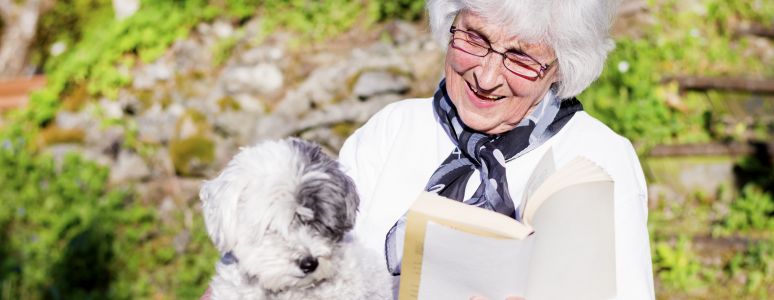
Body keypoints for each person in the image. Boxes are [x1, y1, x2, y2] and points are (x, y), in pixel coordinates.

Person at [338, 0, 655, 299]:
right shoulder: (392, 129)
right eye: (475, 39)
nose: (486, 78)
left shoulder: (599, 157)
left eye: (520, 58)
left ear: (560, 66)